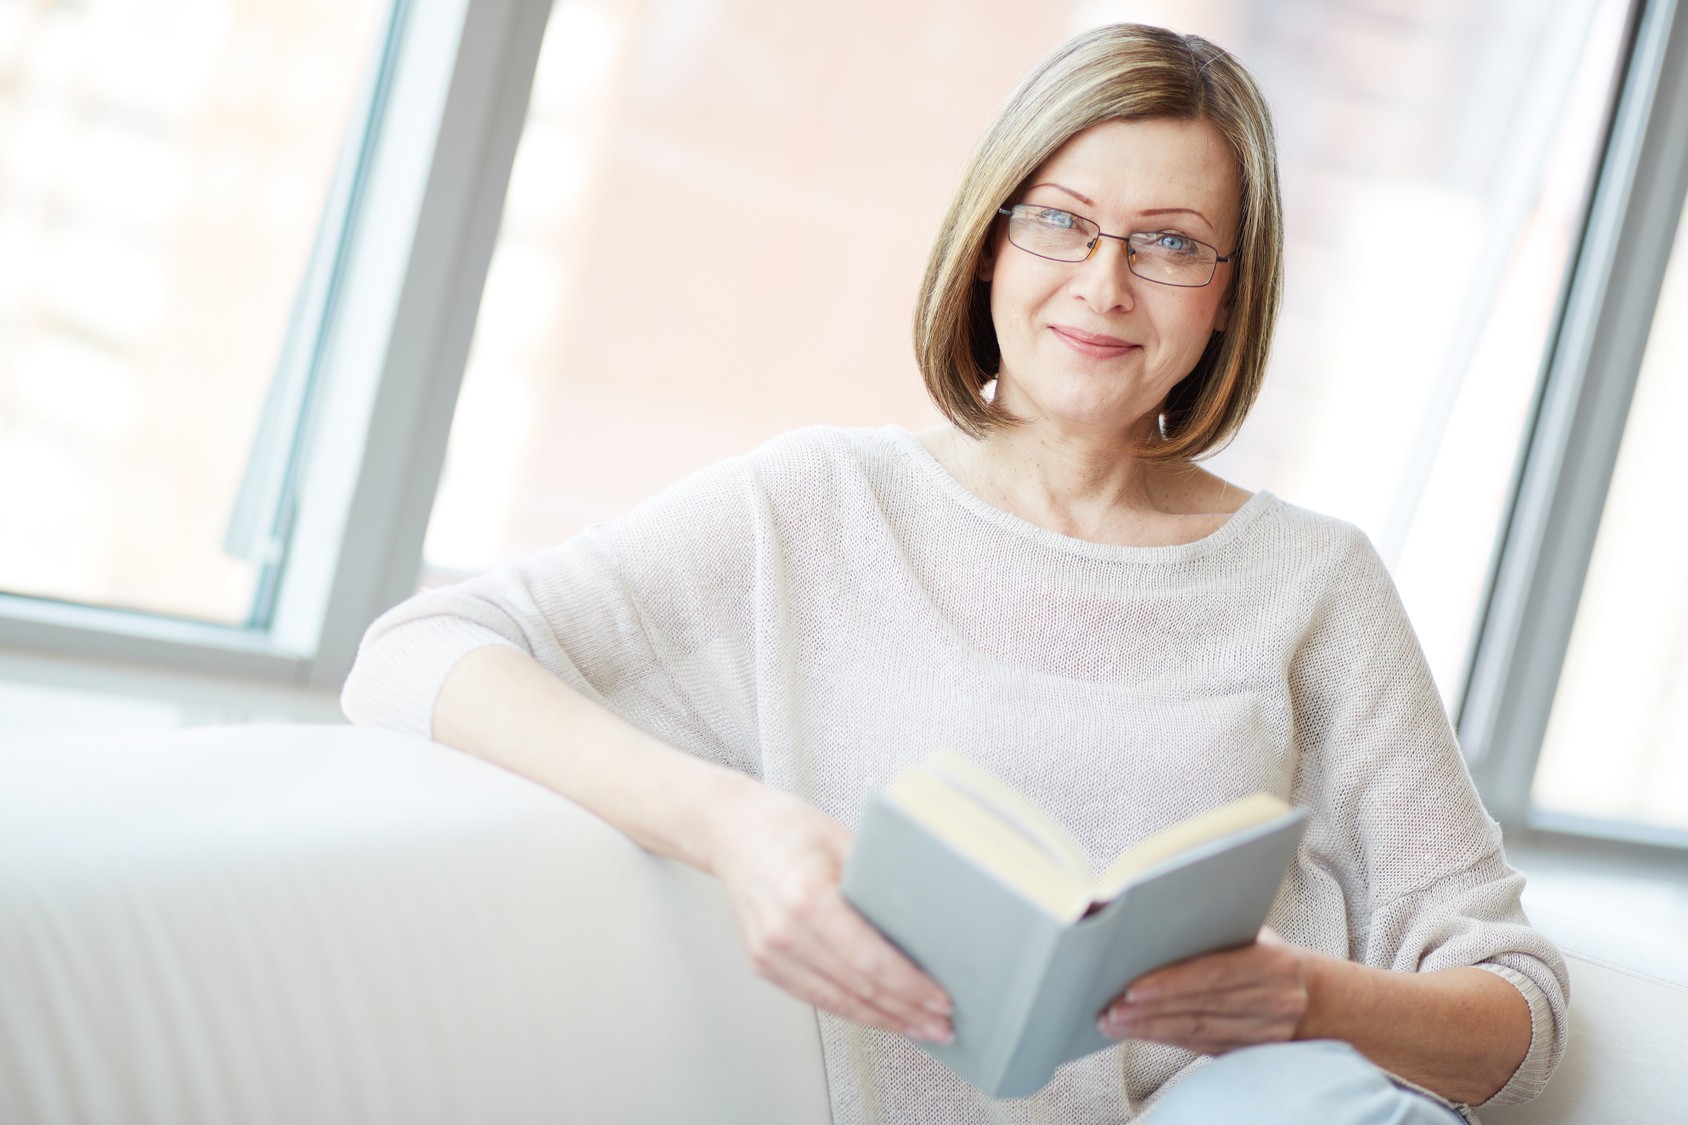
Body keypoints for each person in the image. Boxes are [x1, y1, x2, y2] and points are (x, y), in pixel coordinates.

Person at [342, 22, 1567, 1125]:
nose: (1103, 282)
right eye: (1060, 220)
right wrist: (738, 825)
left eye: (1170, 244)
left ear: (1223, 301)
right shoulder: (817, 508)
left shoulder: (1313, 584)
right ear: (989, 241)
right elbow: (415, 657)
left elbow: (1517, 1016)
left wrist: (1300, 996)